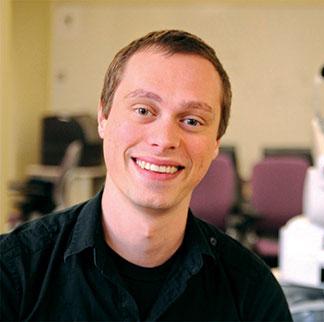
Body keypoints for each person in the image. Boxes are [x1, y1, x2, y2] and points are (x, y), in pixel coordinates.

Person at [0, 29, 292, 321]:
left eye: (192, 120)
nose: (165, 139)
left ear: (216, 142)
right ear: (104, 117)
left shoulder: (253, 293)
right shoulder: (13, 272)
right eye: (143, 110)